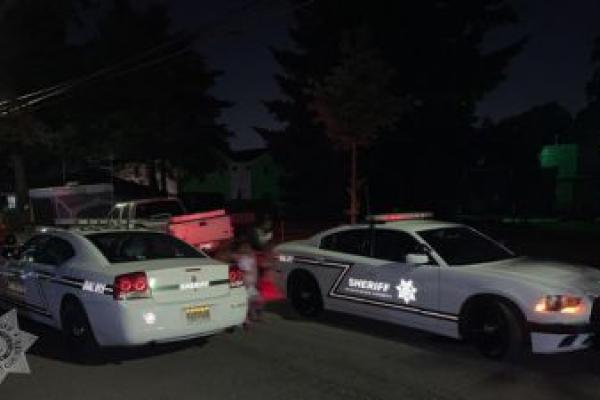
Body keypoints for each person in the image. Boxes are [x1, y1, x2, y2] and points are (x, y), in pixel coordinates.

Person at [233, 240, 263, 327]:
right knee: (247, 302)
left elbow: (255, 269)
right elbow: (239, 270)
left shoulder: (252, 257)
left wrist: (256, 280)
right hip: (244, 283)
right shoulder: (239, 257)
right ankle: (246, 320)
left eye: (248, 247)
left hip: (251, 283)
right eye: (244, 247)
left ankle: (252, 316)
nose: (247, 248)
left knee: (257, 300)